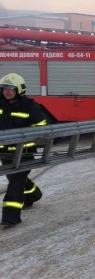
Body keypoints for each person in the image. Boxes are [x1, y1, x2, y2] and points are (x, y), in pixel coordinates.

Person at [0, 73, 47, 229]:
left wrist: (27, 139)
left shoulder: (30, 107)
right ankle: (34, 194)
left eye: (11, 89)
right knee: (15, 178)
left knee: (15, 181)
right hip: (5, 153)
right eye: (4, 88)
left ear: (19, 90)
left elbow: (41, 129)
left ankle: (10, 218)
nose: (7, 92)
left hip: (25, 153)